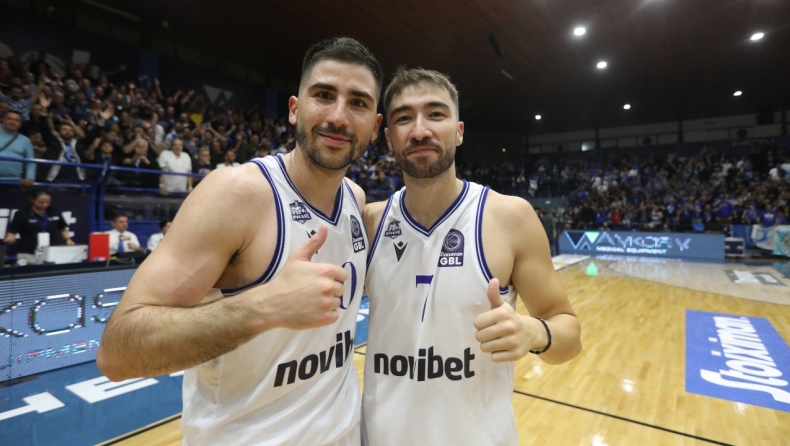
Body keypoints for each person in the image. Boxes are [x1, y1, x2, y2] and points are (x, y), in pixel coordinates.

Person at [96, 37, 383, 445]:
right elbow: (117, 352)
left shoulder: (356, 199)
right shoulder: (235, 193)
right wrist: (264, 306)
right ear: (294, 109)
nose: (338, 116)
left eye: (358, 102)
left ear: (375, 126)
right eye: (323, 95)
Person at [361, 68, 581, 445]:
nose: (420, 130)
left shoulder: (510, 218)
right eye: (404, 118)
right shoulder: (369, 222)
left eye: (436, 114)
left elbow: (569, 336)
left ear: (459, 131)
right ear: (389, 138)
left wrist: (533, 332)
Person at [4, 188, 75, 264]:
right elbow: (12, 231)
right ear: (32, 199)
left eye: (48, 202)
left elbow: (62, 228)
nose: (45, 205)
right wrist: (10, 237)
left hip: (51, 252)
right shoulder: (21, 214)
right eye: (41, 202)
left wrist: (68, 239)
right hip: (28, 253)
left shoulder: (55, 212)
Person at [0, 110, 36, 185]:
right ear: (3, 120)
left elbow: (31, 162)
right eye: (9, 119)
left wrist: (30, 177)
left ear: (20, 124)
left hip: (14, 181)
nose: (13, 122)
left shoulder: (25, 140)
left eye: (17, 120)